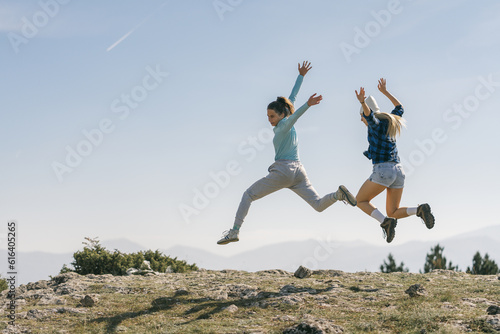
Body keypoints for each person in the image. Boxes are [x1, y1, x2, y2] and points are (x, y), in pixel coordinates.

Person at [217, 61, 357, 245]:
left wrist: (307, 105)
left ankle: (234, 231)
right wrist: (301, 76)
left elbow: (295, 115)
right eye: (267, 116)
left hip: (284, 170)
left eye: (272, 116)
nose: (269, 120)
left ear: (281, 115)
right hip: (299, 172)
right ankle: (338, 195)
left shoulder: (283, 125)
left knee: (248, 195)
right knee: (318, 205)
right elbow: (292, 99)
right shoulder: (285, 117)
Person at [354, 78, 435, 243]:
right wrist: (385, 92)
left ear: (364, 113)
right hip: (399, 171)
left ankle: (384, 223)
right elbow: (400, 107)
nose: (361, 120)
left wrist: (362, 102)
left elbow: (370, 117)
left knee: (360, 200)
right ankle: (419, 210)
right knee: (393, 211)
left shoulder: (374, 123)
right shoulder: (391, 120)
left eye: (361, 116)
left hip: (383, 171)